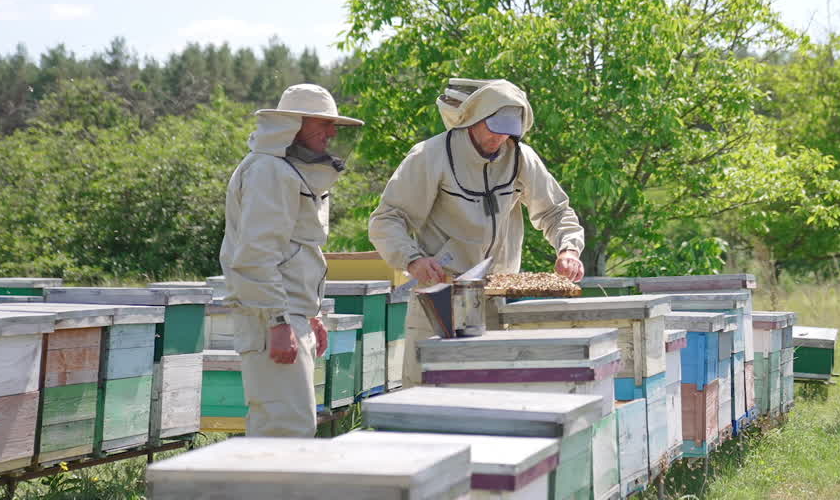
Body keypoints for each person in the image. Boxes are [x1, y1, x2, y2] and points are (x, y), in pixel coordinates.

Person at [370, 78, 585, 386]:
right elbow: (387, 219)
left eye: (509, 131)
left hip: (493, 296)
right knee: (429, 398)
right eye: (494, 128)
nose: (500, 139)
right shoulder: (429, 156)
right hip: (438, 296)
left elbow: (555, 211)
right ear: (472, 120)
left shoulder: (521, 157)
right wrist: (413, 259)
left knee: (490, 396)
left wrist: (568, 249)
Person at [219, 83, 363, 437]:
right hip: (272, 317)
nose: (331, 133)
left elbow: (296, 250)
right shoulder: (269, 170)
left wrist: (308, 315)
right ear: (293, 124)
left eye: (334, 125)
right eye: (322, 123)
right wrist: (278, 320)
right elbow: (256, 254)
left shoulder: (289, 170)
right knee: (284, 431)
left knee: (290, 428)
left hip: (286, 315)